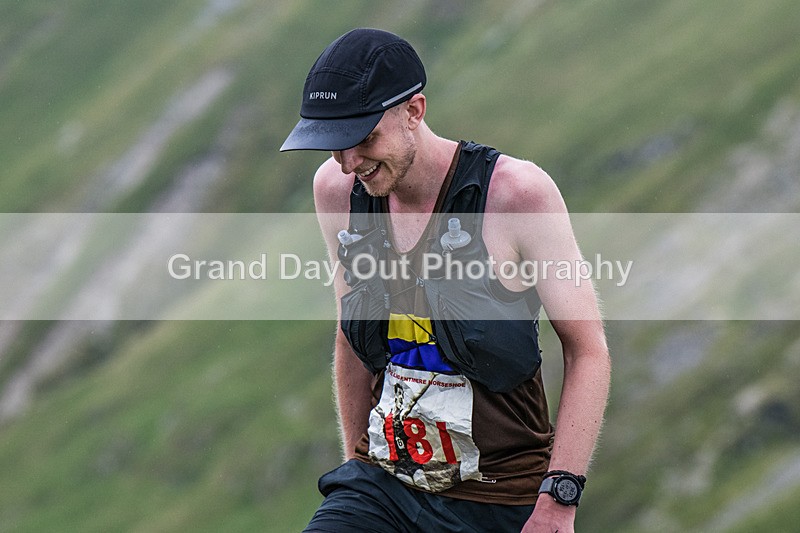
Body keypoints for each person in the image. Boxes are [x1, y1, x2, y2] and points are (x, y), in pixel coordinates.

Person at [281, 28, 611, 533]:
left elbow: (587, 350)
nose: (349, 163)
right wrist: (355, 464)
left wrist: (559, 499)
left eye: (364, 139)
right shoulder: (337, 190)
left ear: (414, 111)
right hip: (382, 490)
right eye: (333, 147)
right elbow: (350, 335)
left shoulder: (516, 196)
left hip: (499, 498)